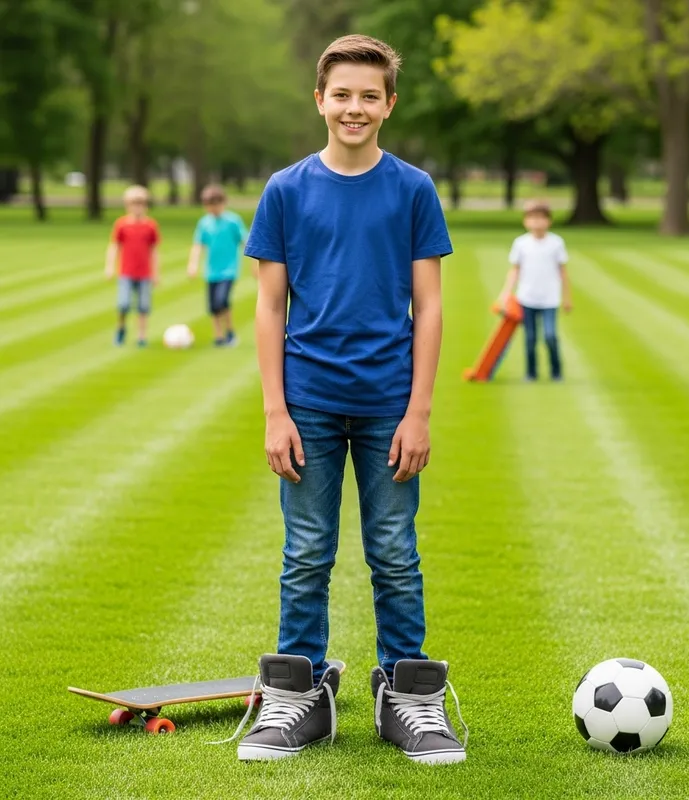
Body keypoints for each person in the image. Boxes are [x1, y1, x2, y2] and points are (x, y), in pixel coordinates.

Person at [236, 34, 467, 765]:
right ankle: (300, 696)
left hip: (387, 404)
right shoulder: (286, 190)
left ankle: (408, 697)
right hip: (306, 400)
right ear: (320, 100)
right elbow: (269, 308)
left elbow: (428, 307)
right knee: (306, 553)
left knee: (395, 554)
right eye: (342, 94)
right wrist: (274, 409)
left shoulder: (412, 189)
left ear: (389, 104)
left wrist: (420, 409)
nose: (355, 107)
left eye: (370, 95)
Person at [498, 200, 572, 381]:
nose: (537, 223)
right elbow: (515, 270)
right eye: (533, 218)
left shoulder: (556, 243)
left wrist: (567, 297)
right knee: (530, 339)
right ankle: (531, 373)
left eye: (541, 218)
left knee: (550, 336)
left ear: (549, 221)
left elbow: (562, 272)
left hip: (549, 299)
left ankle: (556, 371)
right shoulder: (521, 244)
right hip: (527, 298)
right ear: (526, 221)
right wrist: (506, 293)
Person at [187, 184, 250, 346]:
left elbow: (245, 241)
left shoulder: (232, 221)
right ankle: (219, 335)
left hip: (229, 270)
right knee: (213, 306)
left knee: (222, 300)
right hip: (211, 271)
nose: (213, 208)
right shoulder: (204, 223)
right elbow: (198, 245)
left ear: (223, 203)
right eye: (209, 205)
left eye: (216, 204)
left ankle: (229, 330)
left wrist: (255, 262)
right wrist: (193, 265)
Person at [104, 185, 160, 347]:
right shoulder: (121, 225)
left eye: (141, 203)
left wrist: (156, 273)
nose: (138, 207)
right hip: (126, 272)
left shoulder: (150, 226)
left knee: (143, 306)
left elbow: (154, 251)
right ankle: (121, 328)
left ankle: (141, 336)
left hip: (144, 273)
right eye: (134, 204)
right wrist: (109, 267)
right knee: (124, 304)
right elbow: (114, 246)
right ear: (127, 205)